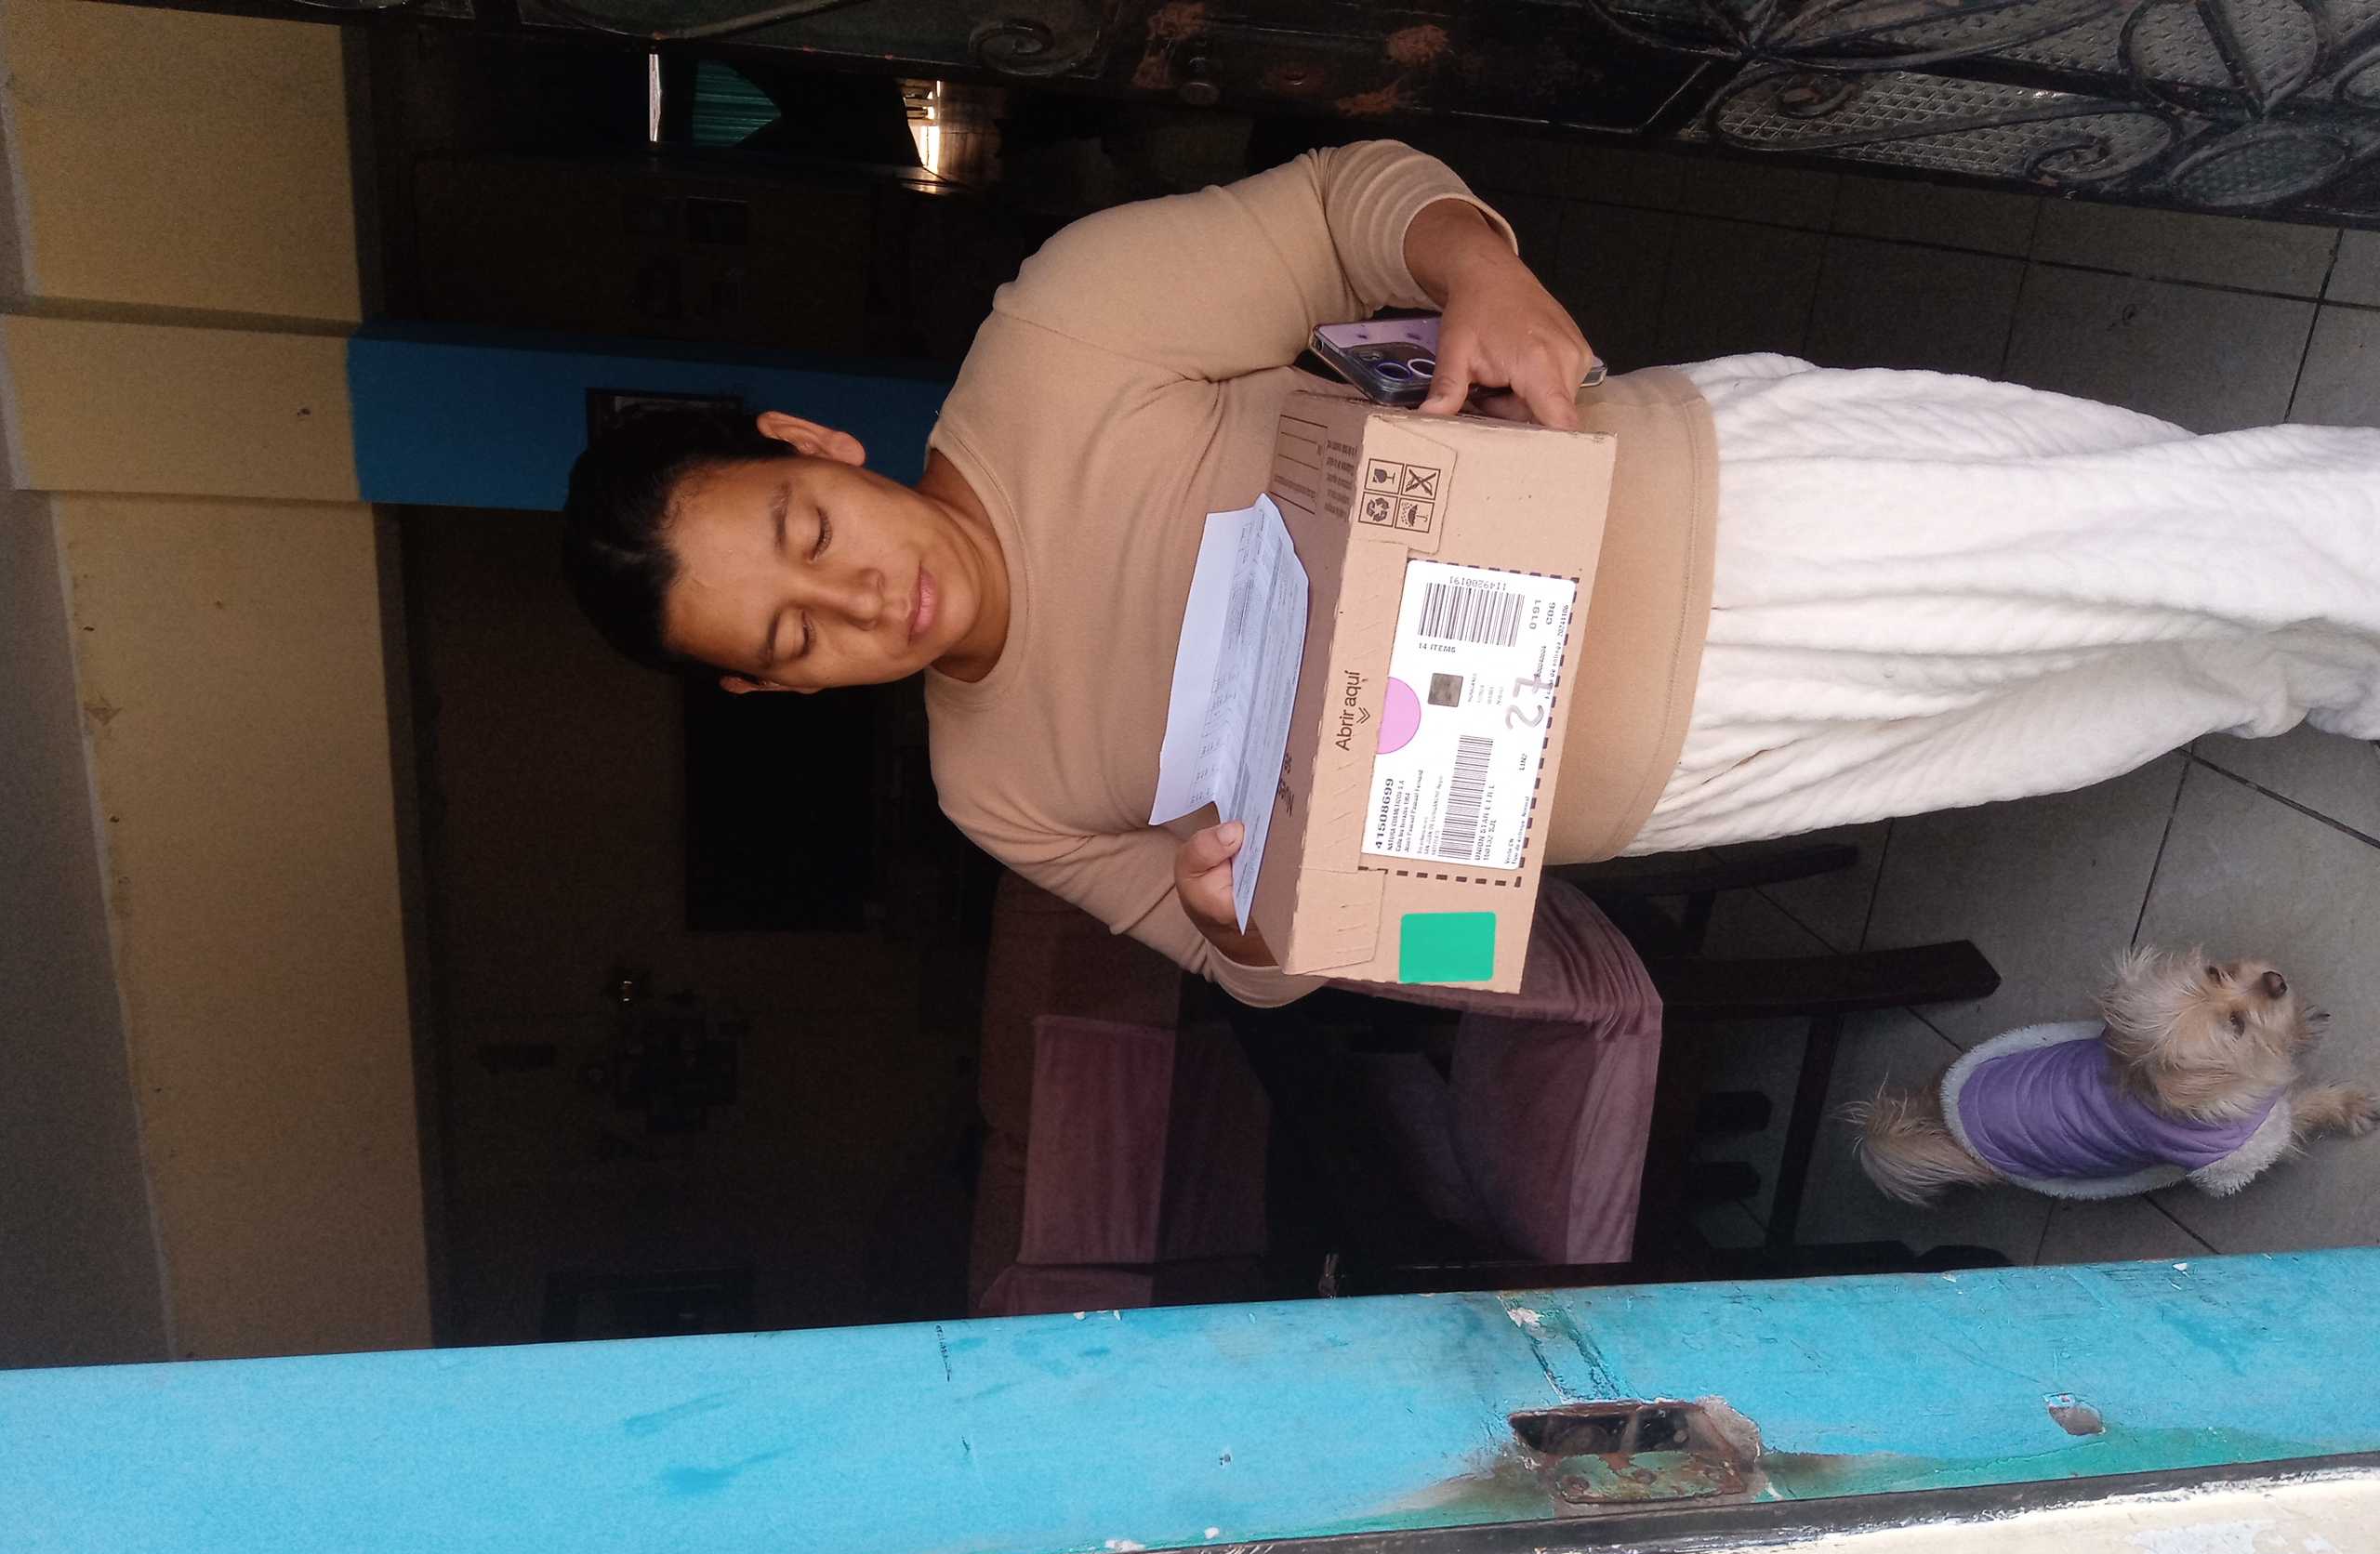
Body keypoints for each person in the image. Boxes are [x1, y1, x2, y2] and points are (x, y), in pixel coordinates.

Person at [564, 141, 2380, 1010]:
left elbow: (1338, 207)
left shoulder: (1055, 340)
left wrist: (1472, 269)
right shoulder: (995, 791)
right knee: (2150, 686)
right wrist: (1231, 914)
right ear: (769, 690)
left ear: (813, 447)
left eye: (808, 537)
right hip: (1681, 775)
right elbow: (1271, 976)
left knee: (2199, 533)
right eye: (795, 638)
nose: (859, 604)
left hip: (1716, 513)